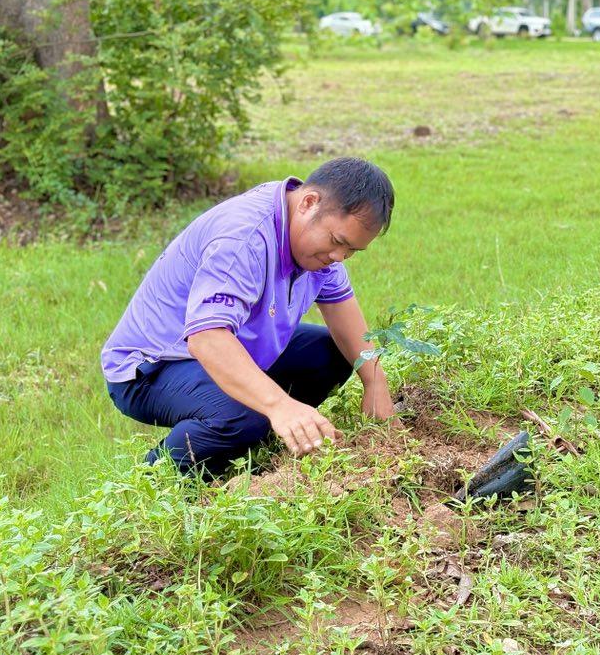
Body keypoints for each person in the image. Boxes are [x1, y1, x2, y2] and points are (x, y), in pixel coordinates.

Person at [101, 157, 398, 478]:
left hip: (231, 347)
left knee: (338, 355)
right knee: (249, 413)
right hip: (153, 368)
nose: (339, 258)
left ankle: (248, 439)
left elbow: (347, 323)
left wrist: (375, 381)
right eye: (338, 242)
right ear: (309, 203)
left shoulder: (318, 248)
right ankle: (156, 477)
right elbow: (207, 339)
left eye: (352, 251)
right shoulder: (244, 237)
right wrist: (278, 406)